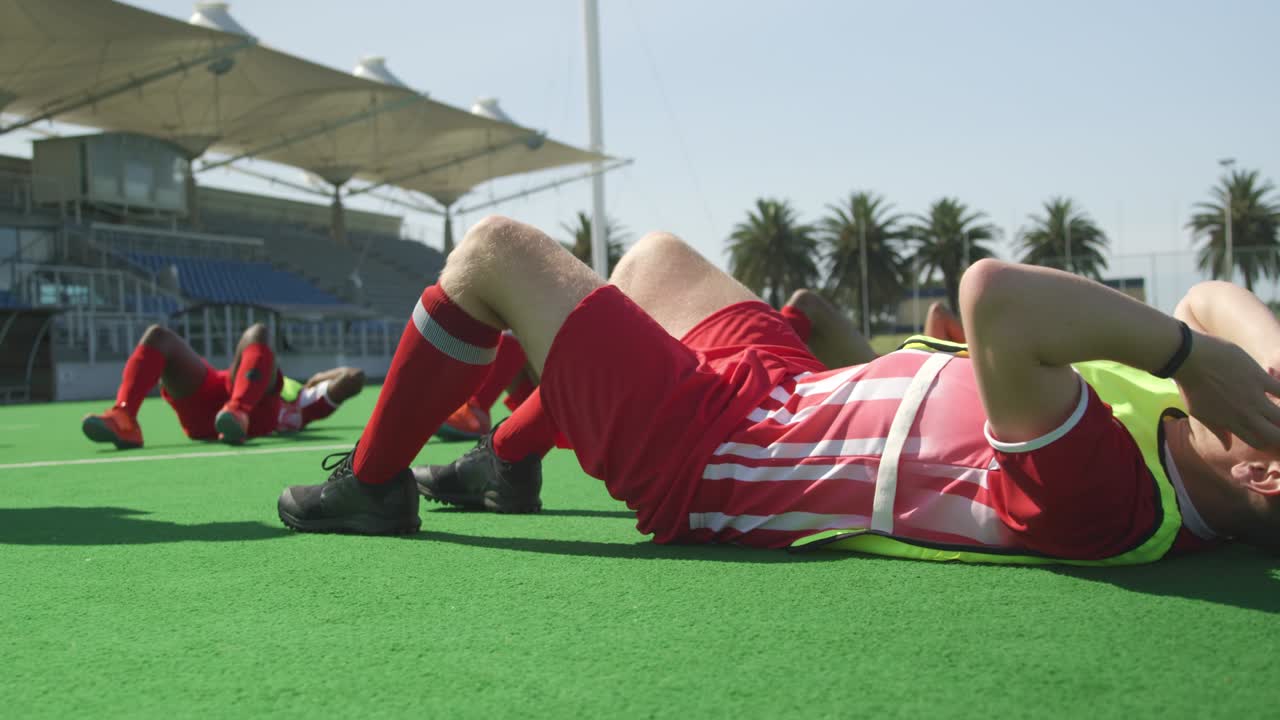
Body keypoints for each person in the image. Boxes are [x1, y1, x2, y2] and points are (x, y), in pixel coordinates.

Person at [276, 216, 1280, 564]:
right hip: (787, 394)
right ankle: (505, 463)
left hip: (718, 456)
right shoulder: (1177, 444)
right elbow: (1215, 293)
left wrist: (1190, 358)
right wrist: (1256, 368)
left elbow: (996, 300)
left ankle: (375, 485)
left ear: (1266, 477)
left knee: (492, 256)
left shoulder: (1116, 503)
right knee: (654, 257)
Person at [82, 323, 365, 449]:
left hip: (254, 412)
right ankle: (124, 417)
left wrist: (319, 378)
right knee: (158, 336)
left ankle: (238, 412)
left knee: (259, 332)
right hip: (219, 395)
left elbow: (354, 377)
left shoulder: (306, 400)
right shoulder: (287, 385)